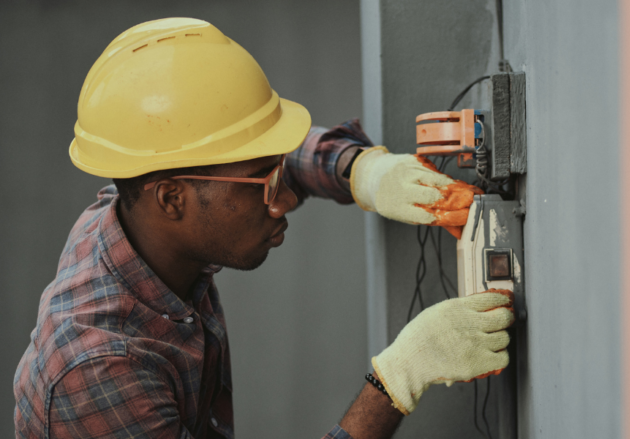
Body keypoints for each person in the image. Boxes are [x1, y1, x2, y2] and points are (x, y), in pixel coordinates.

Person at [13, 18, 514, 439]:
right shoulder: (99, 369)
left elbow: (245, 160)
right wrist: (397, 380)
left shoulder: (139, 212)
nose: (288, 200)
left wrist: (361, 171)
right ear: (171, 198)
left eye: (279, 173)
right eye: (266, 184)